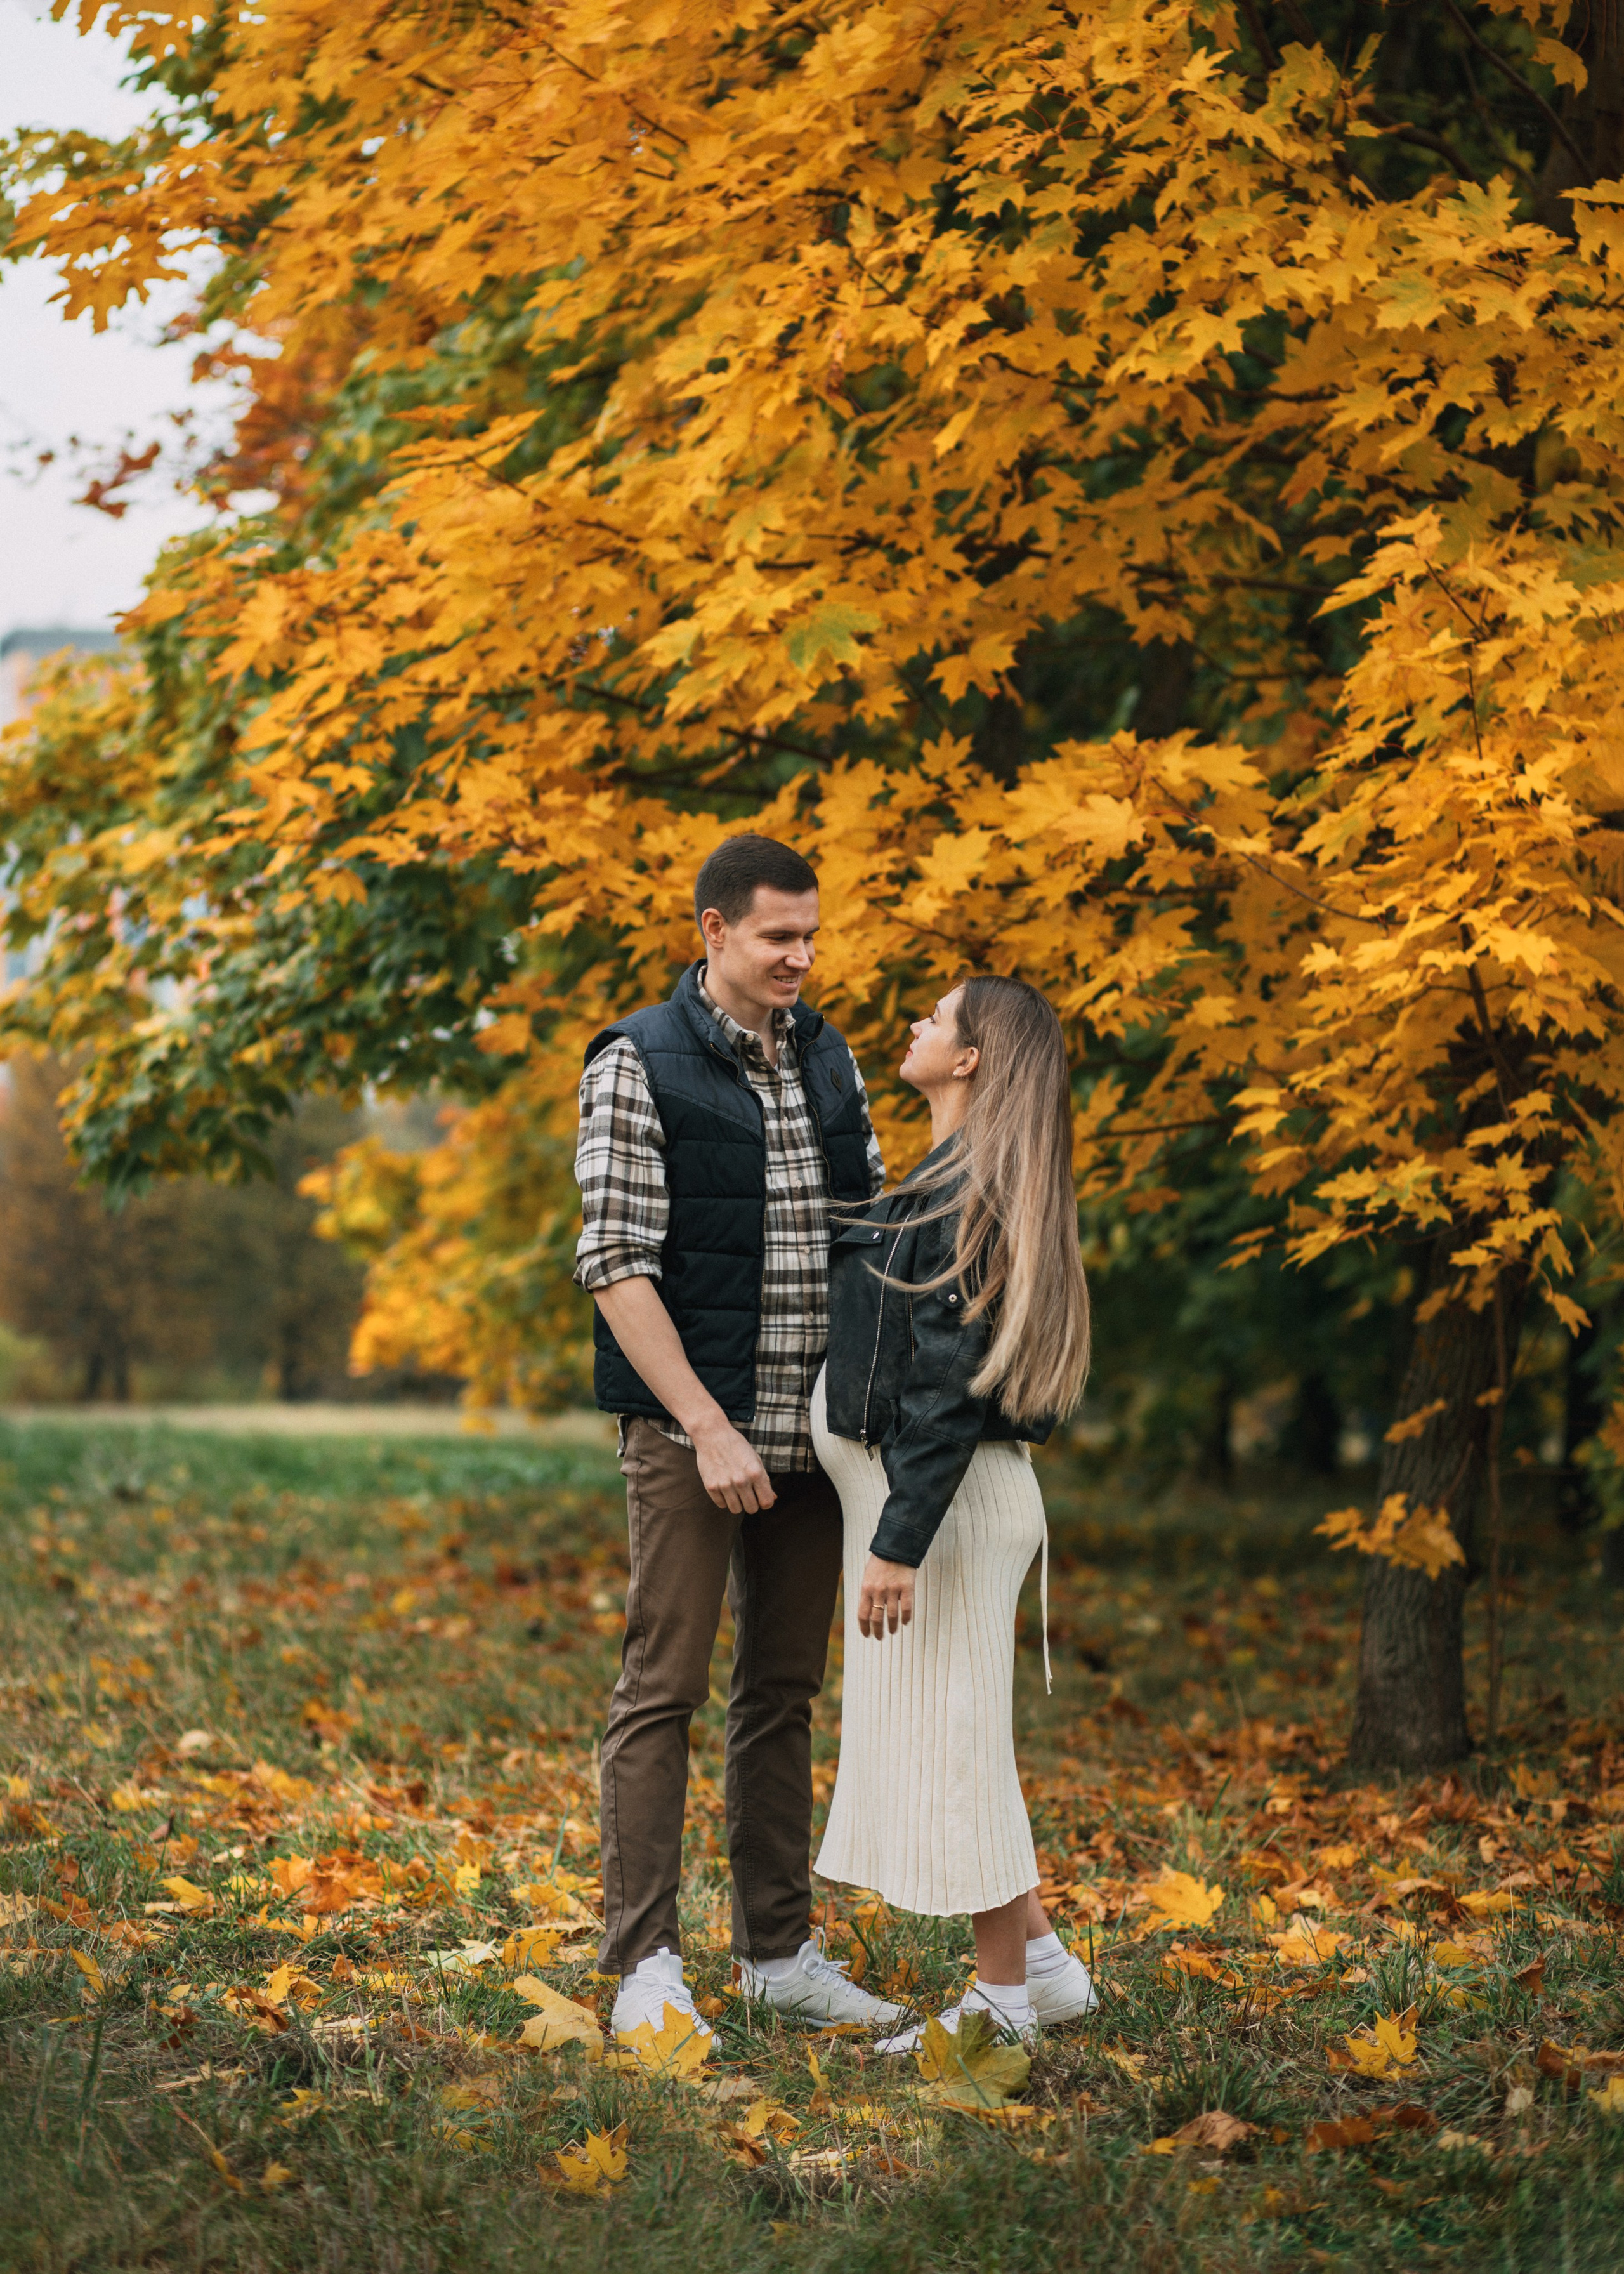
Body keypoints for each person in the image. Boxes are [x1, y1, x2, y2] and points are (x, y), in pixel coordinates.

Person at [573, 833, 910, 2046]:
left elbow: (866, 1239)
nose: (801, 959)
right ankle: (644, 1970)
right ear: (712, 932)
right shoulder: (637, 1062)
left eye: (811, 937)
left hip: (812, 1441)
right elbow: (616, 1264)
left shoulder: (832, 1063)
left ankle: (777, 1955)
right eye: (778, 936)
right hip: (690, 1435)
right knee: (661, 1691)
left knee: (781, 1695)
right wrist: (705, 1427)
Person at [811, 974, 1098, 2047]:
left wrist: (899, 1541)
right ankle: (1048, 1970)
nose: (917, 1026)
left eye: (935, 1018)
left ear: (971, 1058)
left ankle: (1001, 2005)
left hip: (943, 1510)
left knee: (961, 1748)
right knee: (949, 1737)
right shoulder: (958, 1175)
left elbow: (948, 1383)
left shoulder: (973, 1188)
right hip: (938, 1506)